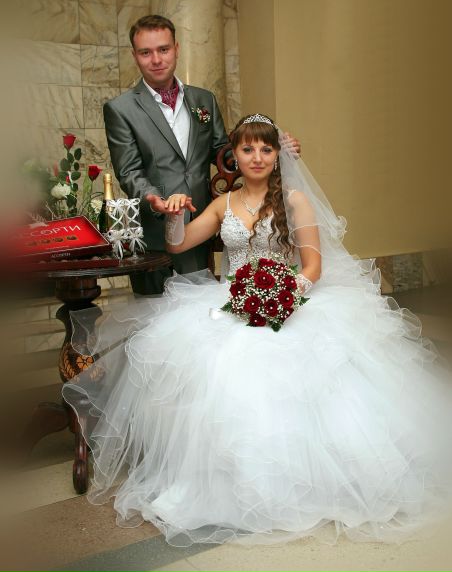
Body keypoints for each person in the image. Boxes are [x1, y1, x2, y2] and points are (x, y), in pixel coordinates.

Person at [63, 114, 452, 547]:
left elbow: (313, 267)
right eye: (248, 149)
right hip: (231, 301)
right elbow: (178, 243)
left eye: (266, 149)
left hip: (289, 299)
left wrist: (279, 300)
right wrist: (173, 214)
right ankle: (220, 479)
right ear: (234, 154)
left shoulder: (294, 200)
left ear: (277, 154)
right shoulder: (222, 204)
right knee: (211, 370)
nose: (257, 157)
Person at [103, 14, 299, 293]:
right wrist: (155, 200)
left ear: (176, 49)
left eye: (163, 49)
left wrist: (272, 150)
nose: (156, 59)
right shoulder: (120, 109)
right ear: (135, 56)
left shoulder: (203, 99)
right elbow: (129, 171)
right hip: (154, 235)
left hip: (200, 224)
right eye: (146, 52)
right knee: (155, 313)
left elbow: (224, 154)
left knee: (199, 308)